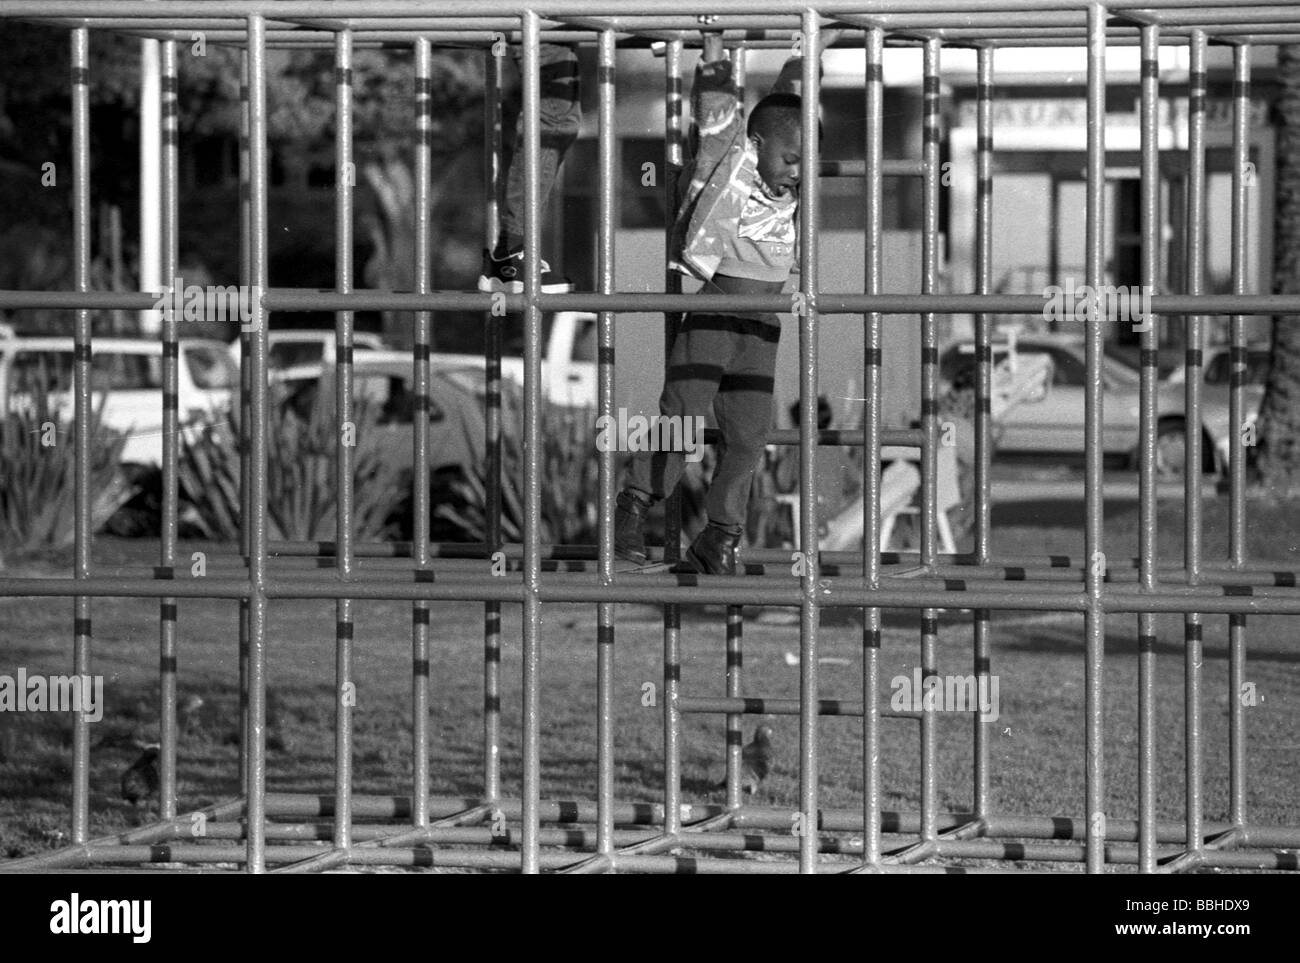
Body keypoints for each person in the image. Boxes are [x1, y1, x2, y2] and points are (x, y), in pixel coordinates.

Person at [614, 30, 822, 575]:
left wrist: (809, 49)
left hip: (763, 327)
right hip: (715, 312)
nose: (800, 172)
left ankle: (721, 534)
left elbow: (794, 103)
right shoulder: (729, 166)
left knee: (750, 436)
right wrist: (712, 54)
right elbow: (719, 115)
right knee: (682, 417)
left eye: (807, 163)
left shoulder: (793, 192)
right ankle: (634, 504)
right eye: (792, 160)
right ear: (756, 147)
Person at [478, 43, 580, 294]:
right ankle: (511, 253)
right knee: (551, 121)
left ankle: (510, 254)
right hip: (541, 19)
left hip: (549, 24)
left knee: (556, 121)